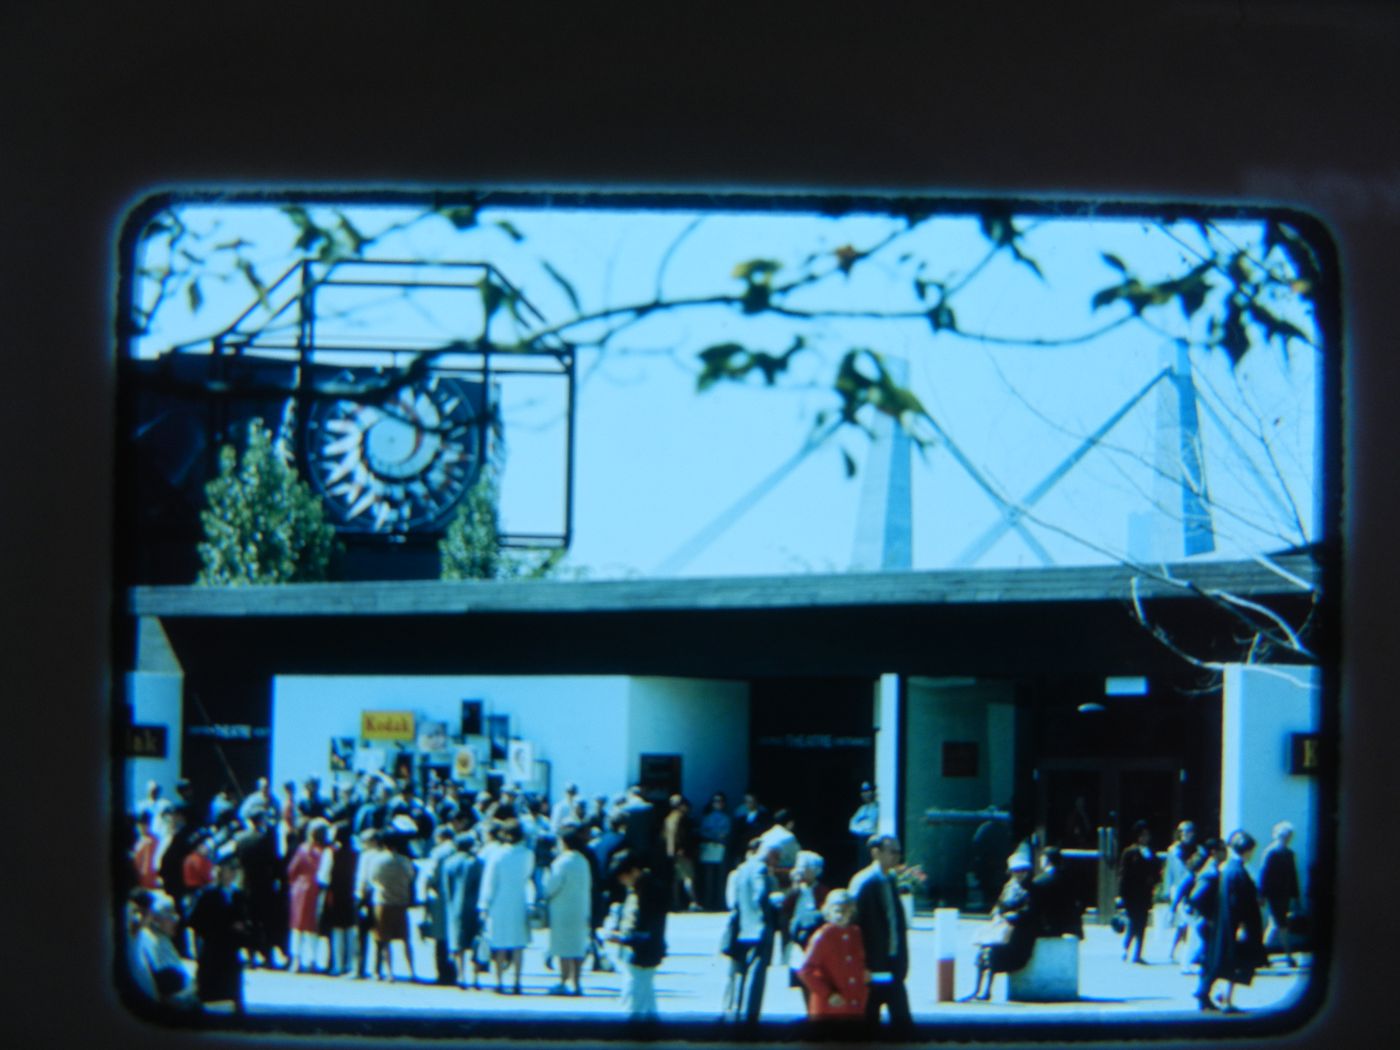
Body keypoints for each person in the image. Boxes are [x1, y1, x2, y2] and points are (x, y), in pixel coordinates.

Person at [1194, 830, 1265, 1012]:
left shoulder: (1229, 869)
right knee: (1230, 964)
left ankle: (1211, 994)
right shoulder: (1237, 871)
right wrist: (1242, 926)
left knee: (1220, 962)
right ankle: (1222, 998)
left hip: (1227, 925)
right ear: (1246, 850)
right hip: (1235, 926)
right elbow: (1238, 902)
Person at [849, 835, 911, 1028]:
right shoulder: (864, 882)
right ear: (876, 853)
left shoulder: (891, 878)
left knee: (902, 1022)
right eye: (892, 852)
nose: (897, 856)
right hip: (872, 962)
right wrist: (862, 962)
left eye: (899, 852)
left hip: (892, 959)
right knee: (869, 1021)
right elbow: (854, 925)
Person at [965, 852, 1039, 1001]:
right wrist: (997, 913)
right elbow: (999, 904)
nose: (1019, 874)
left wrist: (1015, 915)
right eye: (1016, 871)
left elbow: (1031, 911)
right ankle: (977, 990)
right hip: (1003, 930)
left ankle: (987, 991)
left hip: (1019, 935)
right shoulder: (1009, 887)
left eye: (1022, 871)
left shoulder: (1032, 889)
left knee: (993, 953)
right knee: (983, 953)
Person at [605, 849, 669, 1021]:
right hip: (643, 951)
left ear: (633, 871)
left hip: (642, 952)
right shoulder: (642, 887)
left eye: (623, 876)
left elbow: (647, 929)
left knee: (633, 999)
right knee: (646, 999)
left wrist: (622, 937)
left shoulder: (648, 892)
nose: (621, 881)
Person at [187, 856, 251, 1013]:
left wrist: (243, 930)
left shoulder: (238, 896)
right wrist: (222, 927)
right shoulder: (208, 894)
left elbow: (247, 920)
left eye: (235, 871)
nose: (232, 874)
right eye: (229, 870)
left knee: (232, 991)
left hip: (231, 951)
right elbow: (195, 921)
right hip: (213, 949)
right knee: (210, 991)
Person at [725, 842, 781, 1022]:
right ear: (769, 854)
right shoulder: (761, 869)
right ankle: (750, 1017)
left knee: (742, 973)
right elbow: (760, 895)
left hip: (743, 928)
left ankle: (738, 1012)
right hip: (760, 928)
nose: (777, 862)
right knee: (756, 976)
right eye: (776, 857)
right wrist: (769, 911)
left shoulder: (742, 869)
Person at [796, 888, 869, 1020]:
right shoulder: (823, 935)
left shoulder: (855, 933)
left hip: (853, 1001)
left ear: (851, 912)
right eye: (837, 911)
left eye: (845, 911)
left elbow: (857, 961)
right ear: (828, 912)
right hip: (829, 1005)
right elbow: (805, 971)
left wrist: (863, 973)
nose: (840, 915)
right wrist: (828, 994)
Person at [477, 823, 534, 994]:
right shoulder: (528, 854)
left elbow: (489, 882)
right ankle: (517, 981)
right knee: (518, 943)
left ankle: (499, 981)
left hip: (499, 903)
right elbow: (527, 876)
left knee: (499, 943)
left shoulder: (497, 855)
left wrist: (484, 905)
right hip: (519, 900)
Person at [544, 823, 593, 995]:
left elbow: (552, 886)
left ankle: (563, 980)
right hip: (580, 907)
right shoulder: (583, 861)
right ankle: (577, 982)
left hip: (562, 908)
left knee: (564, 947)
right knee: (577, 946)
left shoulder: (561, 862)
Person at [134, 892, 200, 1011]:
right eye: (170, 913)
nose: (177, 918)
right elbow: (170, 993)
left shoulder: (160, 938)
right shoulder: (154, 942)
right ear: (155, 919)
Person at [437, 832, 486, 989]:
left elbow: (445, 887)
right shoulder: (475, 863)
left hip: (453, 906)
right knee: (475, 942)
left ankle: (461, 976)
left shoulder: (448, 862)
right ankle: (475, 978)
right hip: (473, 907)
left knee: (458, 944)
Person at [368, 830, 418, 983]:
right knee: (405, 939)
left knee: (384, 940)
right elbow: (411, 877)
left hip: (382, 901)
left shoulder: (377, 861)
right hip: (401, 901)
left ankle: (389, 972)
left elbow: (372, 879)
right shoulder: (405, 861)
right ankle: (412, 971)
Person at [286, 817, 331, 972]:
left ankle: (296, 960)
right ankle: (311, 960)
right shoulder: (326, 852)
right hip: (316, 890)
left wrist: (294, 884)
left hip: (299, 889)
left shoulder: (302, 849)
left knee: (297, 926)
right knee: (312, 927)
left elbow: (292, 870)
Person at [1258, 821, 1301, 968]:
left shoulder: (1289, 854)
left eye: (1288, 835)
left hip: (1285, 894)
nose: (1286, 838)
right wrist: (1262, 895)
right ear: (1277, 835)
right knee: (1279, 924)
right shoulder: (1270, 853)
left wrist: (1295, 896)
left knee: (1276, 924)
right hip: (1274, 894)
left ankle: (1261, 953)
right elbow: (1264, 875)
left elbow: (1293, 875)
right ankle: (1287, 956)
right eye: (1283, 835)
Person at [1116, 819, 1159, 964]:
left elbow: (1156, 872)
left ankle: (1138, 953)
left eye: (1147, 835)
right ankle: (1126, 948)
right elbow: (1123, 875)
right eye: (1143, 835)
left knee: (1142, 923)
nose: (1146, 838)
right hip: (1131, 894)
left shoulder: (1151, 853)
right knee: (1133, 922)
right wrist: (1120, 895)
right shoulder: (1129, 853)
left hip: (1145, 893)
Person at [1163, 820, 1198, 963]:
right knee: (1183, 921)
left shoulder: (1198, 851)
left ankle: (1180, 950)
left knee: (1186, 923)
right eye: (1183, 832)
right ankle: (1179, 950)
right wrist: (1167, 889)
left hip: (1193, 889)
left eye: (1189, 832)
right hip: (1178, 889)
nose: (1186, 835)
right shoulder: (1173, 850)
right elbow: (1169, 871)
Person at [1031, 846, 1084, 940]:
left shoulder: (1039, 882)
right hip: (1070, 927)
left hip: (1048, 928)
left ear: (1047, 860)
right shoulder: (1071, 878)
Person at [696, 792, 732, 911]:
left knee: (721, 877)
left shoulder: (727, 818)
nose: (718, 803)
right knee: (709, 877)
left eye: (720, 801)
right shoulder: (706, 817)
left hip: (721, 848)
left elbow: (726, 833)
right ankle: (708, 902)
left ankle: (720, 902)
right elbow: (702, 831)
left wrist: (715, 835)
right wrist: (715, 835)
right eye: (715, 801)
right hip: (709, 848)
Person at [847, 783, 879, 872]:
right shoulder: (862, 809)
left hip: (871, 839)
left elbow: (871, 824)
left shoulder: (877, 808)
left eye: (867, 791)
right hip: (861, 839)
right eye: (863, 792)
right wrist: (861, 828)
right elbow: (852, 824)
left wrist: (861, 825)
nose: (865, 794)